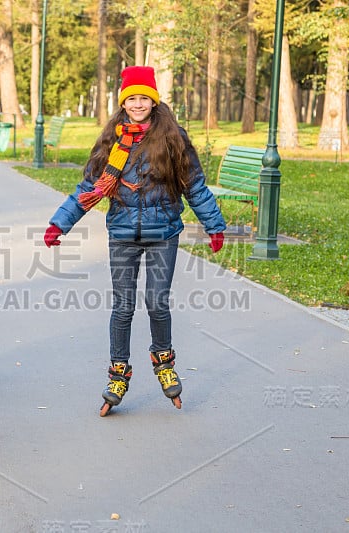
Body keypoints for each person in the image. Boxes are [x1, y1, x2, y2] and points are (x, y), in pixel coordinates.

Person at [43, 66, 227, 416]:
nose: (138, 104)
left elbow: (195, 185)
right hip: (123, 234)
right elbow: (89, 187)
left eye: (145, 98)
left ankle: (164, 361)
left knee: (157, 302)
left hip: (163, 233)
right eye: (132, 98)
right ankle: (118, 372)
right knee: (123, 307)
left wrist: (214, 226)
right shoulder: (112, 139)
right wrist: (60, 224)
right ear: (124, 102)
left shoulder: (173, 137)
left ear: (153, 101)